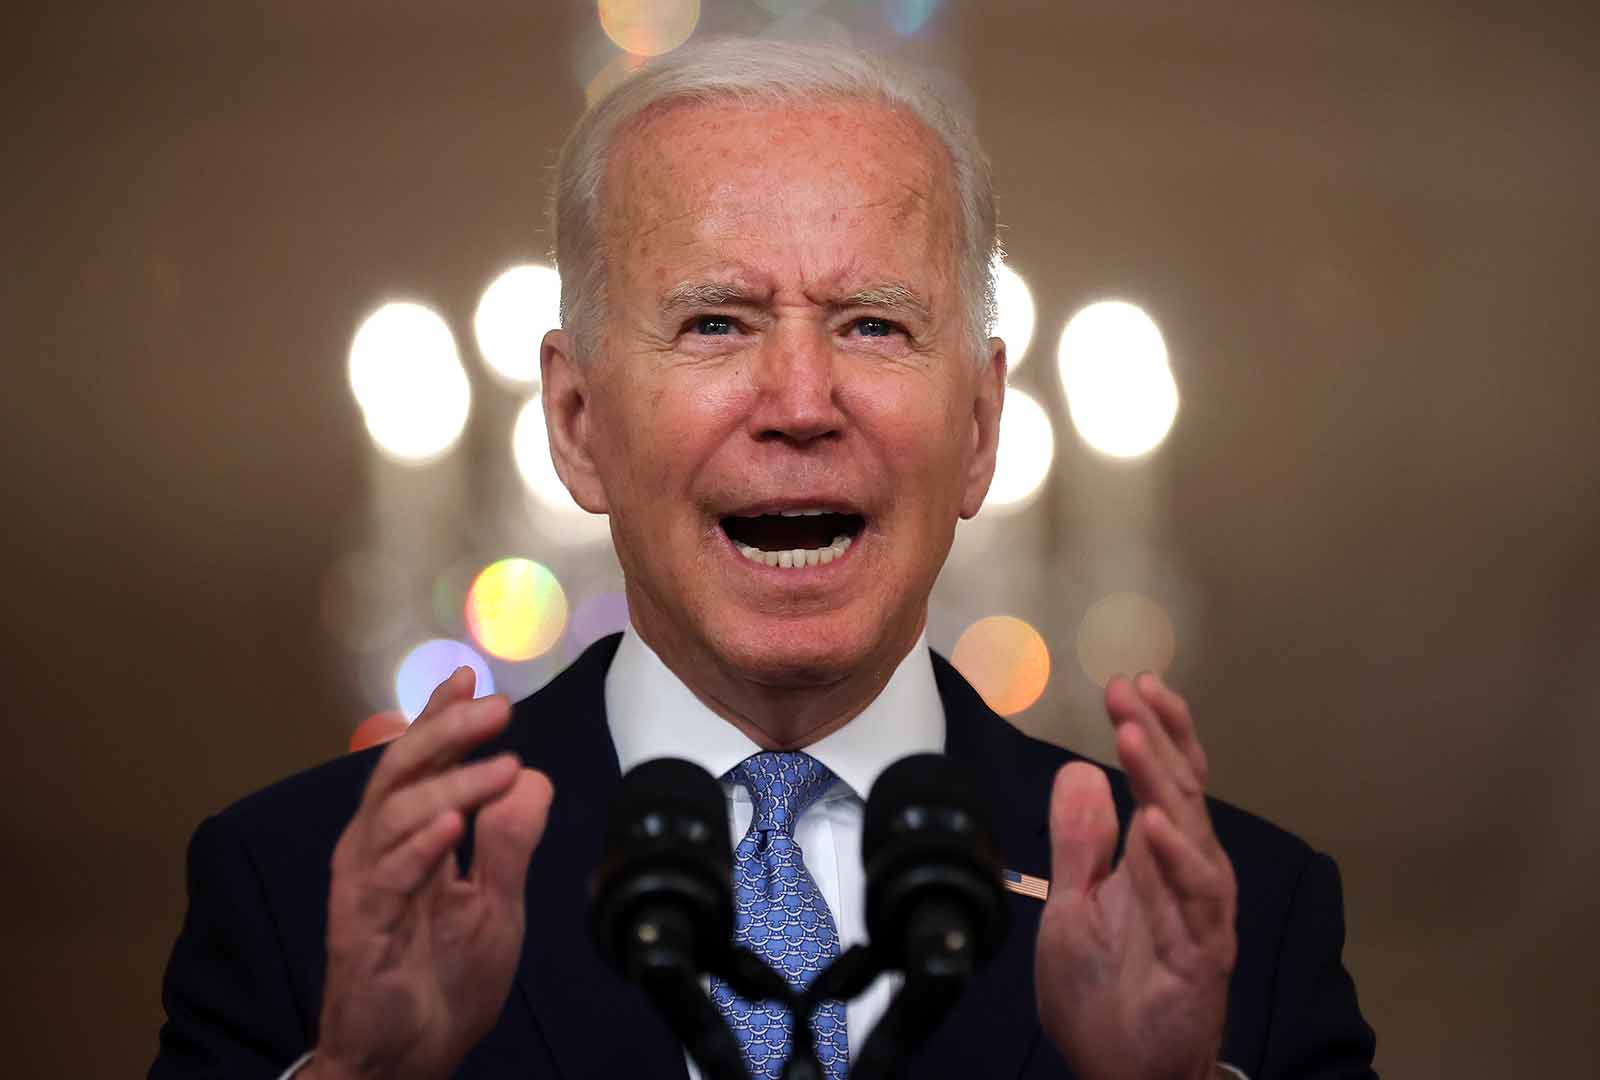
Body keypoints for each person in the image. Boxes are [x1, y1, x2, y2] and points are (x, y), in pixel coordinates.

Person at [150, 39, 1375, 1080]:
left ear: (981, 431)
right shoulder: (300, 893)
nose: (800, 400)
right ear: (576, 426)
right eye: (716, 322)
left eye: (873, 325)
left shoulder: (1239, 924)